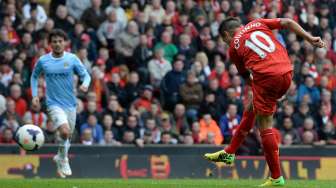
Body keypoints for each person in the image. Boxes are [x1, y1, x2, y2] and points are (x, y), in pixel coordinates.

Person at [203, 17, 325, 186]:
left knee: (264, 124)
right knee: (251, 108)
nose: (226, 43)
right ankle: (229, 152)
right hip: (287, 72)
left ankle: (276, 178)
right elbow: (288, 22)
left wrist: (261, 87)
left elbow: (246, 76)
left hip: (267, 76)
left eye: (225, 41)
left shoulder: (233, 47)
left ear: (226, 35)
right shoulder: (257, 22)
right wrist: (309, 38)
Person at [30, 29, 91, 178]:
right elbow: (34, 76)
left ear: (65, 43)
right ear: (49, 44)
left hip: (70, 104)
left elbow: (86, 75)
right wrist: (35, 95)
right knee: (64, 131)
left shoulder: (72, 59)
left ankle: (60, 156)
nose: (57, 44)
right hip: (53, 104)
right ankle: (64, 159)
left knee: (67, 135)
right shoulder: (44, 60)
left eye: (60, 41)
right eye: (54, 41)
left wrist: (85, 84)